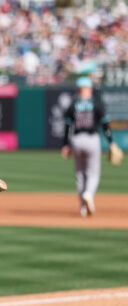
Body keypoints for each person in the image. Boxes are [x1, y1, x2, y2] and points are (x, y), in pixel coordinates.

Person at [61, 76, 117, 217]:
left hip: (77, 140)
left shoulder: (72, 106)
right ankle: (88, 194)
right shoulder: (97, 104)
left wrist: (66, 145)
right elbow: (105, 126)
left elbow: (67, 127)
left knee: (80, 175)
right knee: (93, 173)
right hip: (92, 139)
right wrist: (111, 142)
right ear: (89, 89)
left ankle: (83, 208)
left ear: (78, 90)